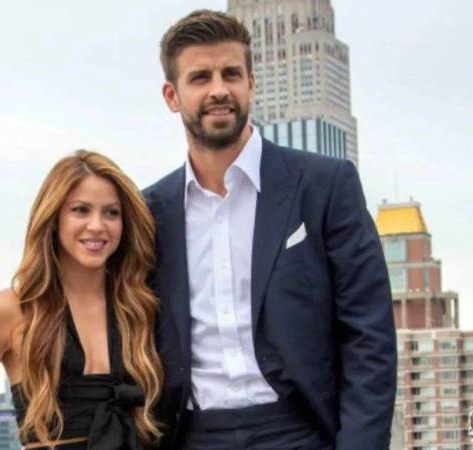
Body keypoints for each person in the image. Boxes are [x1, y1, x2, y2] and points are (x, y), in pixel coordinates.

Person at [143, 10, 397, 450]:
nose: (219, 90)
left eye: (231, 74)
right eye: (200, 78)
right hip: (193, 436)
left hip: (302, 432)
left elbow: (368, 333)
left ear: (251, 83)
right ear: (172, 95)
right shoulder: (149, 212)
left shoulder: (324, 185)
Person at [0, 151, 163, 450]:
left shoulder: (139, 308)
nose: (97, 225)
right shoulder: (9, 310)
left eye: (111, 213)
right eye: (80, 210)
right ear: (53, 219)